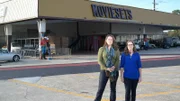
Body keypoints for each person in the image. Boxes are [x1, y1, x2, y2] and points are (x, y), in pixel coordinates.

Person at [94, 34, 120, 101]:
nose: (110, 40)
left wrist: (114, 66)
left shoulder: (116, 50)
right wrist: (106, 68)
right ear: (106, 40)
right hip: (104, 71)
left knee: (113, 89)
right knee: (100, 89)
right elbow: (99, 60)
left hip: (114, 71)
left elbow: (117, 60)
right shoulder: (102, 49)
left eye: (111, 39)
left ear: (113, 40)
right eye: (108, 39)